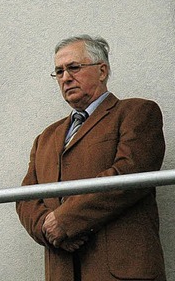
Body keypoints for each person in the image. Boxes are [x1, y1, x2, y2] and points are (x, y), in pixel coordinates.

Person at [16, 35, 166, 281]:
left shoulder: (136, 112)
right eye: (59, 71)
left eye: (74, 67)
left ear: (102, 70)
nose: (65, 77)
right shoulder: (46, 137)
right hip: (62, 270)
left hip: (120, 271)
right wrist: (47, 226)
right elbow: (25, 198)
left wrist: (64, 221)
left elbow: (129, 175)